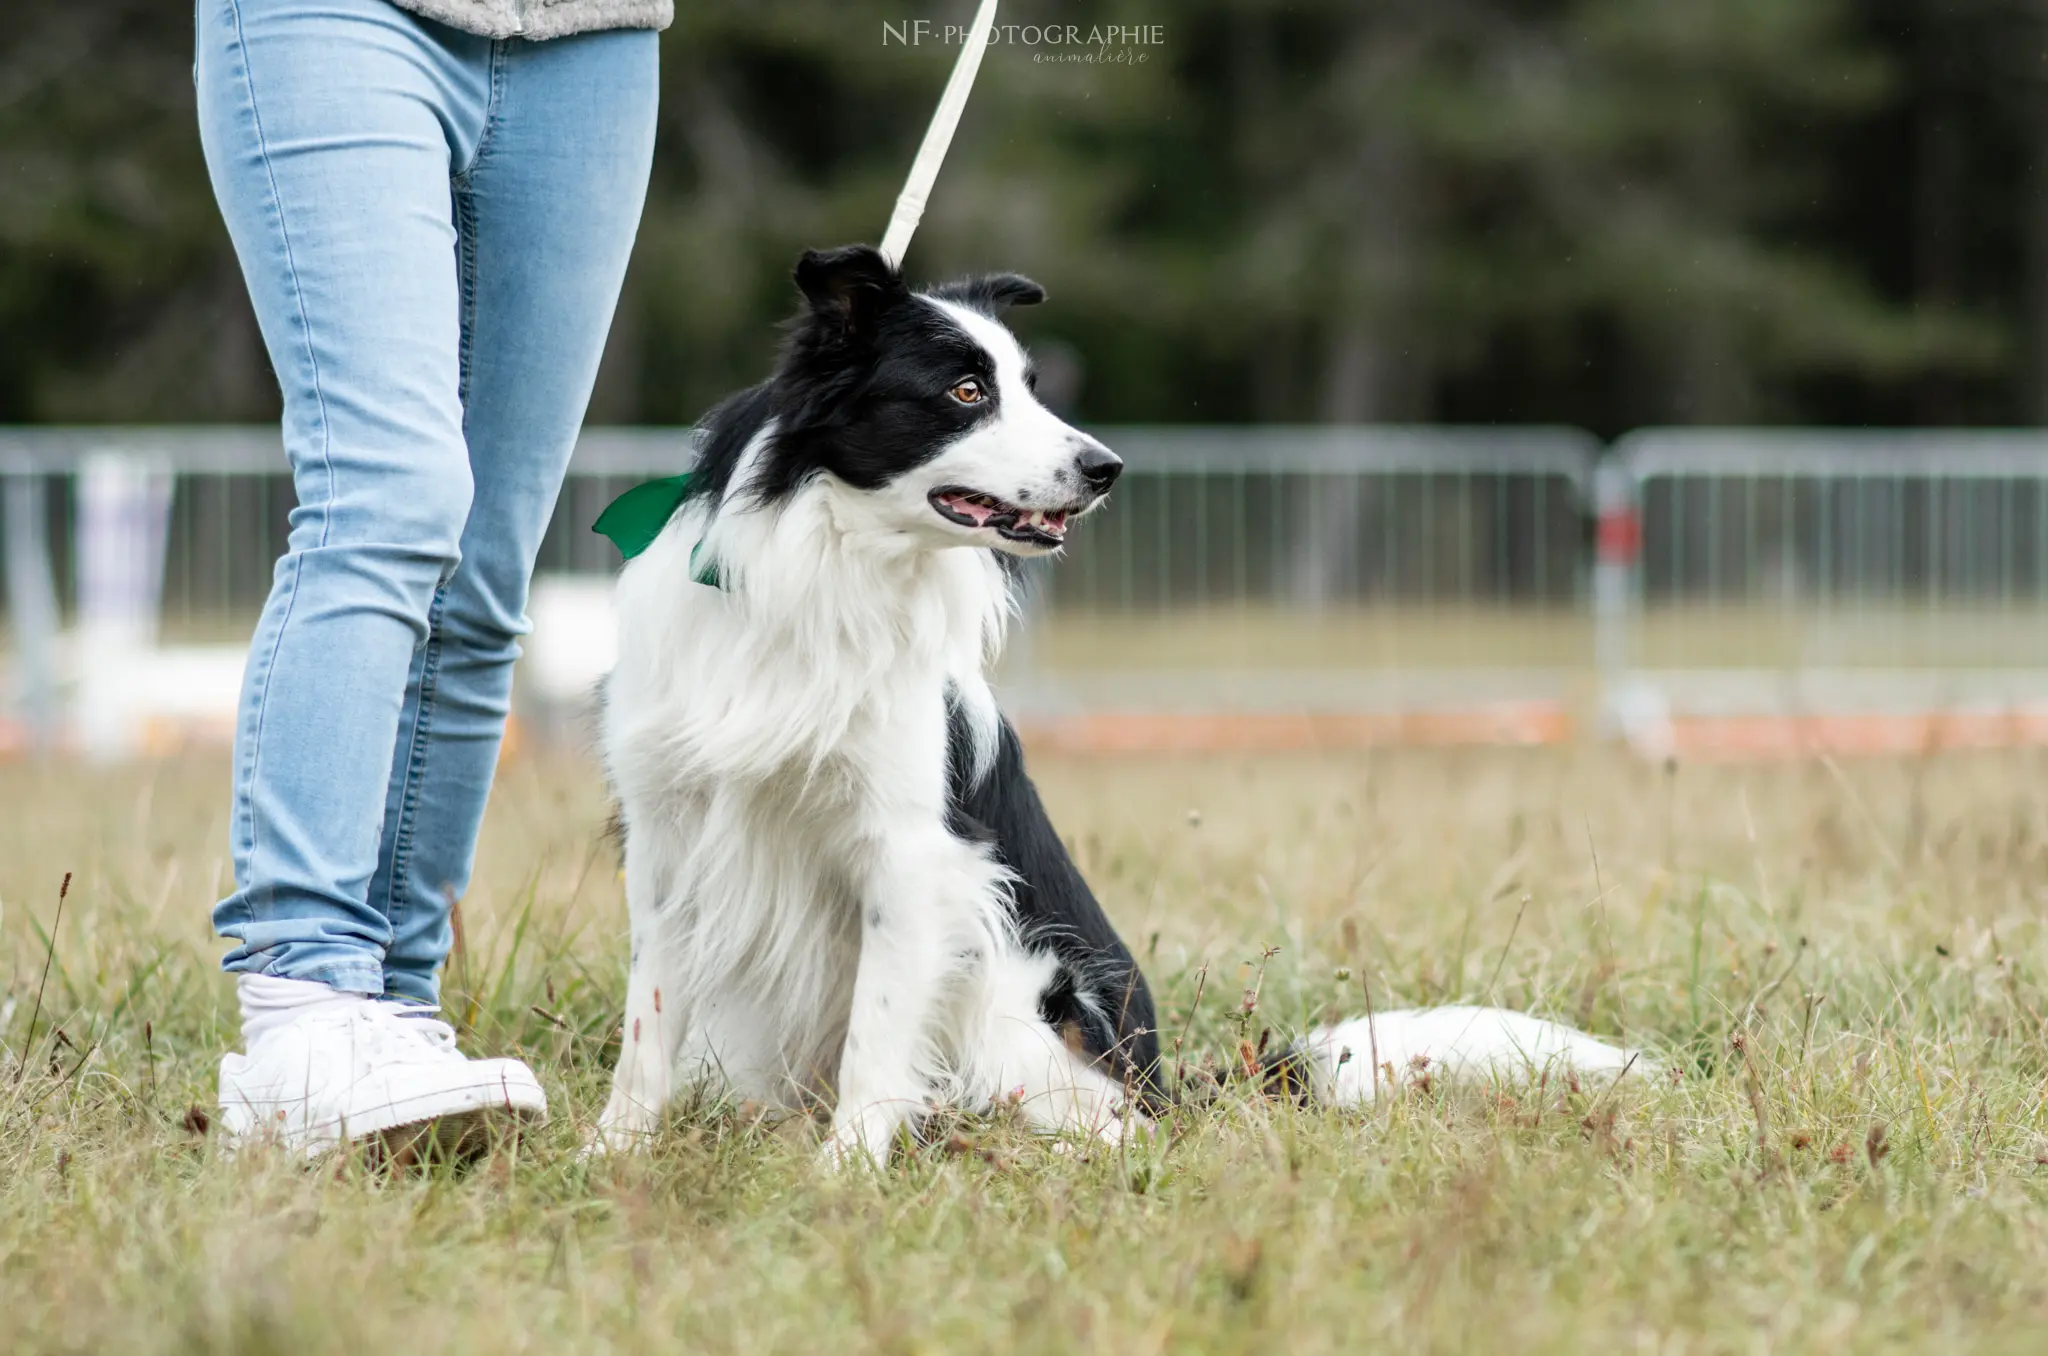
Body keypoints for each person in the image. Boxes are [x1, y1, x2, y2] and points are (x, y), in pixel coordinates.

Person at [194, 0, 666, 1153]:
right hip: (336, 17)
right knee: (390, 490)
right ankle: (303, 1000)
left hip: (593, 37)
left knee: (487, 564)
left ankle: (393, 1010)